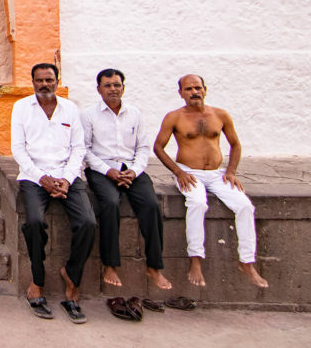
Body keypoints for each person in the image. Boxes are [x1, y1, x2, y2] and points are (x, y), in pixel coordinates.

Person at [153, 74, 269, 289]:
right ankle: (195, 260)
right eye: (188, 89)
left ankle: (247, 262)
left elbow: (235, 144)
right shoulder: (174, 117)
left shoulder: (220, 115)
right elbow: (158, 147)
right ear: (180, 93)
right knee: (198, 203)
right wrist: (178, 172)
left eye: (197, 87)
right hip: (189, 172)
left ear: (205, 90)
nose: (194, 92)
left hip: (217, 173)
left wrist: (232, 171)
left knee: (244, 206)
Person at [11, 63, 96, 323]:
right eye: (39, 80)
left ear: (57, 80)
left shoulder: (71, 109)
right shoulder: (21, 108)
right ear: (33, 82)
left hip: (67, 176)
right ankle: (37, 281)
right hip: (34, 177)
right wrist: (42, 179)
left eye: (49, 80)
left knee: (88, 223)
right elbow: (18, 149)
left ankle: (72, 276)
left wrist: (67, 180)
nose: (44, 84)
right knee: (34, 223)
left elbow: (78, 149)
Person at [81, 69, 171, 290]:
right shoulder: (89, 115)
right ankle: (110, 264)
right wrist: (107, 171)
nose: (113, 89)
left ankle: (154, 266)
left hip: (130, 169)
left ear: (123, 87)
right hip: (102, 169)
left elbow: (143, 147)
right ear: (99, 89)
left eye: (117, 85)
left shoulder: (135, 114)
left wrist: (134, 170)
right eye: (108, 85)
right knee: (110, 203)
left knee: (151, 205)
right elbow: (84, 149)